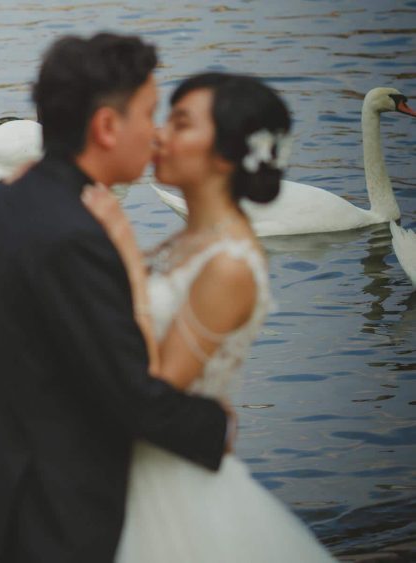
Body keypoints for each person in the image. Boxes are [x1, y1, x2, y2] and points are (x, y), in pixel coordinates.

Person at [0, 34, 232, 562]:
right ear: (106, 127)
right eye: (149, 114)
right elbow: (122, 387)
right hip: (55, 510)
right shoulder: (75, 235)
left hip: (1, 494)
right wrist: (214, 428)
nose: (157, 131)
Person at [81, 72, 336, 562]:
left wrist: (124, 257)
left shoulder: (230, 264)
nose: (159, 135)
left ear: (223, 153)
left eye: (180, 123)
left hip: (171, 493)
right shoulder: (183, 243)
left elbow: (155, 394)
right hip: (130, 478)